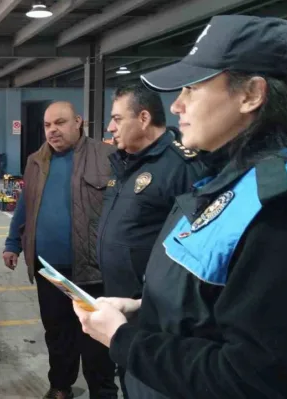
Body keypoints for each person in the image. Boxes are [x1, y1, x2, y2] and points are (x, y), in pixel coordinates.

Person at [74, 15, 287, 399]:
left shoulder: (282, 212)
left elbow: (256, 377)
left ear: (251, 94)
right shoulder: (227, 181)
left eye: (193, 88)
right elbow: (215, 304)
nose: (177, 105)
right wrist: (143, 309)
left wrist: (124, 338)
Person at [3, 101, 117, 399]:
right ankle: (60, 386)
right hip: (48, 270)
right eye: (47, 125)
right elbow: (25, 206)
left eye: (60, 123)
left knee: (95, 339)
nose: (53, 130)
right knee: (57, 334)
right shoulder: (36, 160)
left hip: (91, 270)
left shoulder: (107, 156)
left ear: (78, 122)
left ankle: (102, 391)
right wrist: (12, 242)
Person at [98, 84, 204, 396]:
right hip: (121, 300)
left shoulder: (182, 166)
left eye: (117, 119)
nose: (110, 127)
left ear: (143, 118)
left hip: (156, 310)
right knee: (127, 376)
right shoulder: (125, 162)